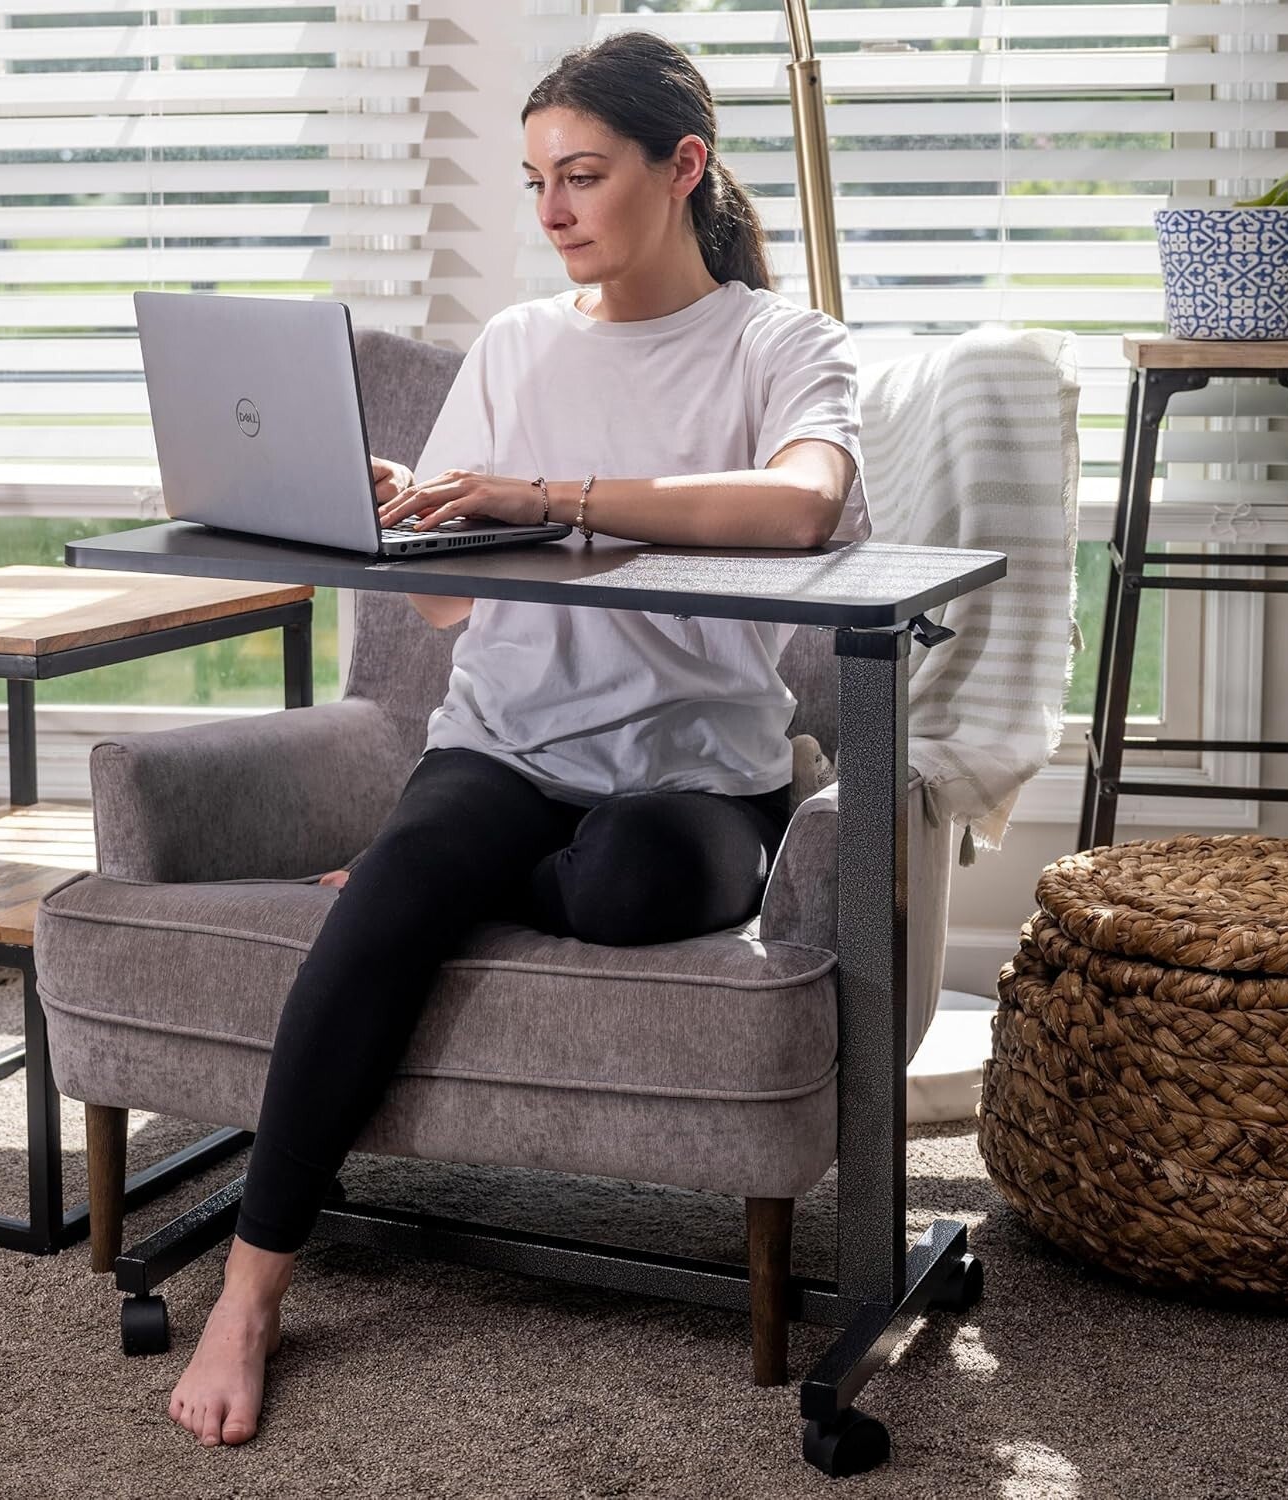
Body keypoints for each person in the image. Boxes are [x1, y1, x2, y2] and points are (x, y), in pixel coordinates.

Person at [166, 27, 869, 1448]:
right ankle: (250, 1294)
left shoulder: (782, 345)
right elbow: (437, 620)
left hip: (699, 772)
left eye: (584, 176)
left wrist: (549, 489)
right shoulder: (515, 341)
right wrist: (396, 516)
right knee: (384, 913)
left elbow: (800, 507)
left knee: (622, 888)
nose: (551, 212)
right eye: (535, 180)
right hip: (503, 744)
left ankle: (433, 876)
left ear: (685, 169)